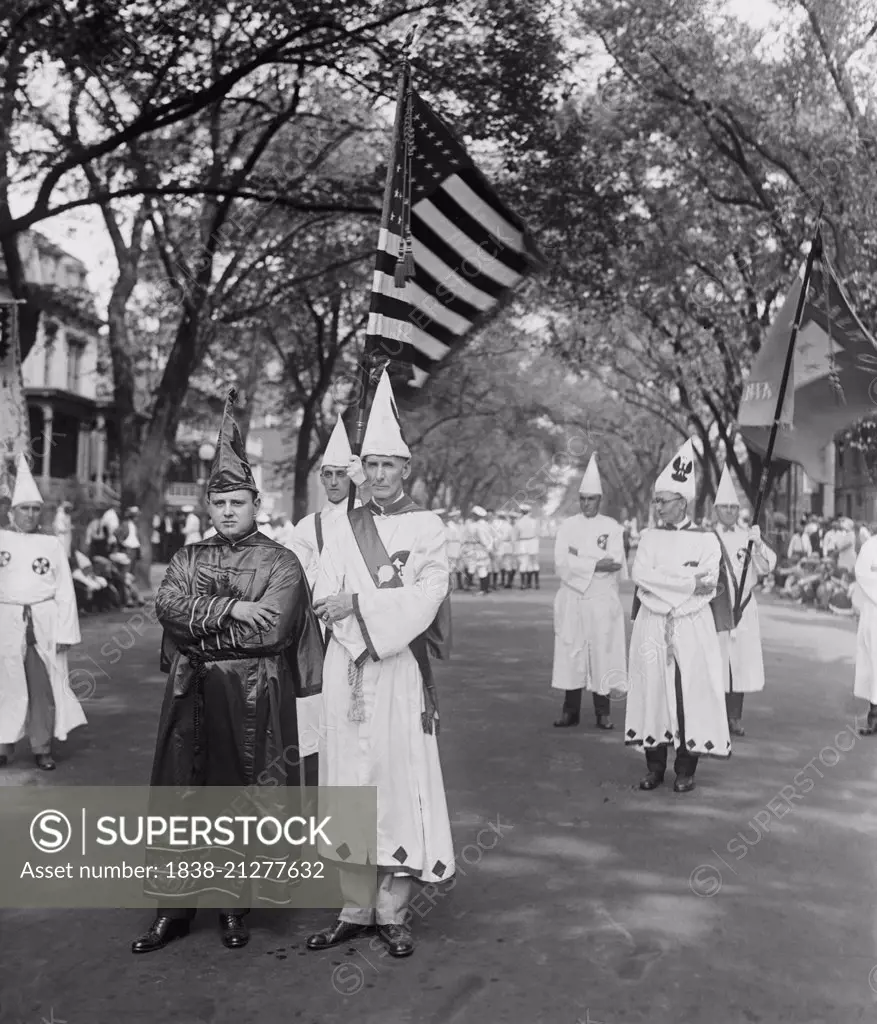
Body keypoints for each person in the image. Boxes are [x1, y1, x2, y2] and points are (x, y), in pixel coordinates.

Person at [131, 389, 323, 955]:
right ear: (208, 509)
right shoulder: (187, 558)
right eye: (220, 505)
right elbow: (166, 606)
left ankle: (234, 904)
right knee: (180, 794)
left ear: (255, 503)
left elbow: (273, 631)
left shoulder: (281, 562)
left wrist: (205, 622)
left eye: (238, 503)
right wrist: (231, 608)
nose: (228, 512)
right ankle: (173, 908)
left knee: (238, 796)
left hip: (251, 691)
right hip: (189, 690)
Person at [307, 370, 453, 960]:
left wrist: (362, 610)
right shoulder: (342, 525)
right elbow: (325, 590)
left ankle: (392, 911)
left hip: (396, 670)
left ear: (406, 470)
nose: (378, 475)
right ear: (359, 470)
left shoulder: (428, 527)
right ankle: (353, 908)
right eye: (370, 465)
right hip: (349, 668)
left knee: (395, 779)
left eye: (389, 465)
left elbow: (428, 595)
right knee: (347, 779)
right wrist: (351, 623)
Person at [625, 438, 731, 793]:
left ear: (682, 502)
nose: (657, 507)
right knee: (653, 690)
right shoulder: (649, 538)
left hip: (690, 625)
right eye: (656, 500)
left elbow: (709, 583)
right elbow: (640, 575)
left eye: (663, 501)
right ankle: (654, 766)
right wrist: (685, 582)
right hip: (653, 624)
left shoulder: (706, 540)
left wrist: (668, 590)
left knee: (688, 694)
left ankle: (685, 768)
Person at [288, 416, 370, 782]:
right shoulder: (309, 527)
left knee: (357, 718)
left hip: (361, 627)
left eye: (342, 474)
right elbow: (294, 580)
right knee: (314, 714)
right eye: (328, 475)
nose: (335, 482)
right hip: (317, 631)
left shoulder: (367, 520)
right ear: (321, 478)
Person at [0, 455, 87, 770]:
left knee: (42, 687)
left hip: (42, 622)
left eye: (36, 509)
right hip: (5, 621)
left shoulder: (50, 545)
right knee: (4, 684)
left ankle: (41, 746)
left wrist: (65, 632)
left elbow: (65, 590)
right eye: (24, 508)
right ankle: (3, 744)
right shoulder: (2, 540)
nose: (31, 514)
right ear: (12, 513)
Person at [551, 455, 627, 731]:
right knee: (572, 652)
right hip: (573, 599)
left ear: (600, 500)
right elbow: (561, 563)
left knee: (601, 652)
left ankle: (602, 712)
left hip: (602, 600)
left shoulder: (612, 528)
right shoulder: (568, 526)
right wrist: (595, 562)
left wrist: (580, 557)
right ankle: (570, 711)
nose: (586, 504)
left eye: (591, 499)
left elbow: (615, 562)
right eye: (583, 499)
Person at [712, 465, 776, 737]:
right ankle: (713, 716)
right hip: (716, 609)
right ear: (716, 509)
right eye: (724, 507)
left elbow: (766, 567)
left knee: (737, 663)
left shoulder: (747, 537)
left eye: (732, 507)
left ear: (738, 510)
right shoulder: (706, 538)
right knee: (716, 662)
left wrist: (759, 544)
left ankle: (734, 717)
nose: (728, 511)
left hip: (744, 606)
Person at [854, 531, 877, 735]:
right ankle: (874, 717)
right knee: (875, 665)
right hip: (875, 614)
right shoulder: (870, 546)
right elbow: (863, 574)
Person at [516, 503, 540, 589]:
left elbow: (516, 535)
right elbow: (538, 533)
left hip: (523, 542)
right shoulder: (534, 521)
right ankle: (536, 583)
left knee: (523, 563)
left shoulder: (518, 522)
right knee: (534, 563)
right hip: (533, 541)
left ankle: (523, 584)